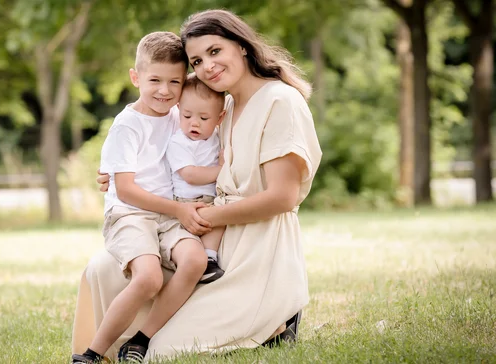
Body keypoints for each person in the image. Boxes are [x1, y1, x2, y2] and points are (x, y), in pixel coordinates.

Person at [73, 9, 323, 361]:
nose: (207, 66)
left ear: (241, 45)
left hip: (252, 241)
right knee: (104, 268)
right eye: (197, 60)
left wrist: (206, 217)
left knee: (164, 352)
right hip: (204, 229)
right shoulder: (224, 103)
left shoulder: (281, 101)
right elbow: (167, 147)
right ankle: (98, 350)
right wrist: (116, 175)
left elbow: (283, 197)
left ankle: (277, 319)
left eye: (215, 51)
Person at [71, 31, 210, 364]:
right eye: (155, 80)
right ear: (136, 77)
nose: (164, 90)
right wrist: (179, 209)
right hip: (130, 213)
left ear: (184, 84)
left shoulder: (181, 116)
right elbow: (128, 189)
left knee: (196, 261)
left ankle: (141, 339)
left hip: (168, 215)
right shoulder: (127, 125)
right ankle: (90, 353)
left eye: (174, 82)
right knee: (149, 277)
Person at [165, 72, 227, 283]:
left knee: (219, 221)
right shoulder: (178, 142)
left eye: (203, 118)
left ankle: (209, 259)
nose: (194, 124)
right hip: (185, 202)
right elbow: (190, 175)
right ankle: (189, 262)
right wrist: (221, 170)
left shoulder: (217, 138)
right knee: (190, 233)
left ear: (220, 118)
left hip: (211, 200)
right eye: (187, 116)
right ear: (178, 110)